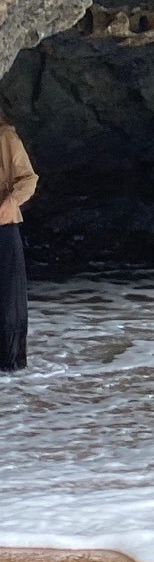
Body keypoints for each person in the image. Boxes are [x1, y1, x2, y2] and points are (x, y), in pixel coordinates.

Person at [0, 104, 36, 372]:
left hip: (3, 226)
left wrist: (10, 202)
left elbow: (28, 179)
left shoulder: (5, 138)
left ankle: (11, 369)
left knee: (8, 302)